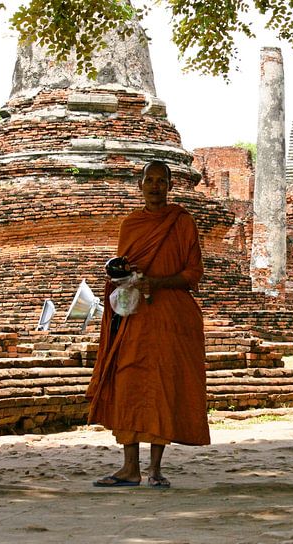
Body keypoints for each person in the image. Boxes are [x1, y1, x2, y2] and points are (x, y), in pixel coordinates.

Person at [86, 160, 210, 488]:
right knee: (128, 382)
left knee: (161, 386)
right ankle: (130, 467)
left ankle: (155, 469)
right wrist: (122, 276)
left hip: (170, 317)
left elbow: (193, 274)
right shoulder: (131, 225)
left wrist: (157, 282)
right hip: (135, 317)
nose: (155, 186)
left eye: (161, 181)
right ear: (140, 185)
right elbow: (122, 272)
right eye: (149, 180)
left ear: (170, 186)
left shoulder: (182, 223)